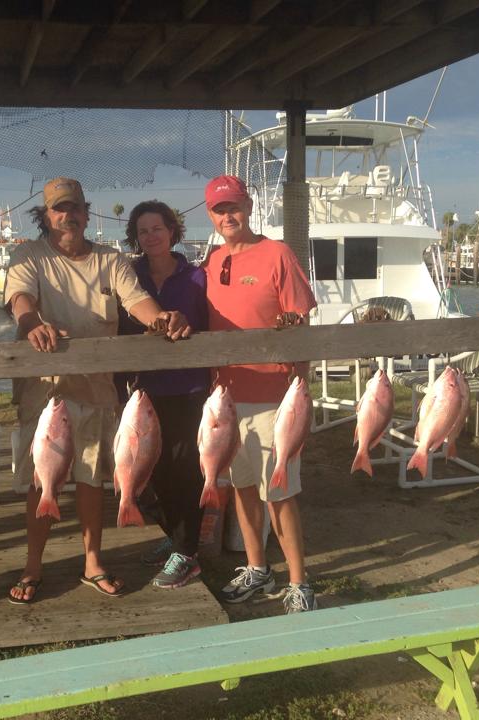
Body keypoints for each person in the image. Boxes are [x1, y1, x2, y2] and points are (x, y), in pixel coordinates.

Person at [4, 177, 190, 604]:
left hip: (97, 389)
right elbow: (19, 299)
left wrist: (162, 319)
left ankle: (92, 562)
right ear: (46, 215)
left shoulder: (111, 260)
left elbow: (137, 301)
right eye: (58, 209)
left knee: (92, 479)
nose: (67, 216)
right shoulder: (28, 255)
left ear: (87, 214)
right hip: (44, 392)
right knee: (40, 481)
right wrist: (31, 324)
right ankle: (33, 565)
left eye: (74, 208)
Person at [200, 174, 319, 613]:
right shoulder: (212, 261)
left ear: (248, 207)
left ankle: (299, 581)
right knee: (243, 488)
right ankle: (257, 567)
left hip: (274, 398)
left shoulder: (278, 254)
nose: (228, 216)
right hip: (226, 401)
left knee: (280, 494)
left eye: (234, 206)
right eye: (219, 210)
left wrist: (299, 391)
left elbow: (300, 320)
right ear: (210, 215)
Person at [118, 201, 209, 589]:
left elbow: (208, 326)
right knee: (147, 475)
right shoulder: (129, 275)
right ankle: (175, 536)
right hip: (142, 393)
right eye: (143, 231)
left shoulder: (196, 276)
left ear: (173, 231)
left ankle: (187, 554)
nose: (151, 236)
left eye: (157, 228)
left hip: (187, 388)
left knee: (183, 470)